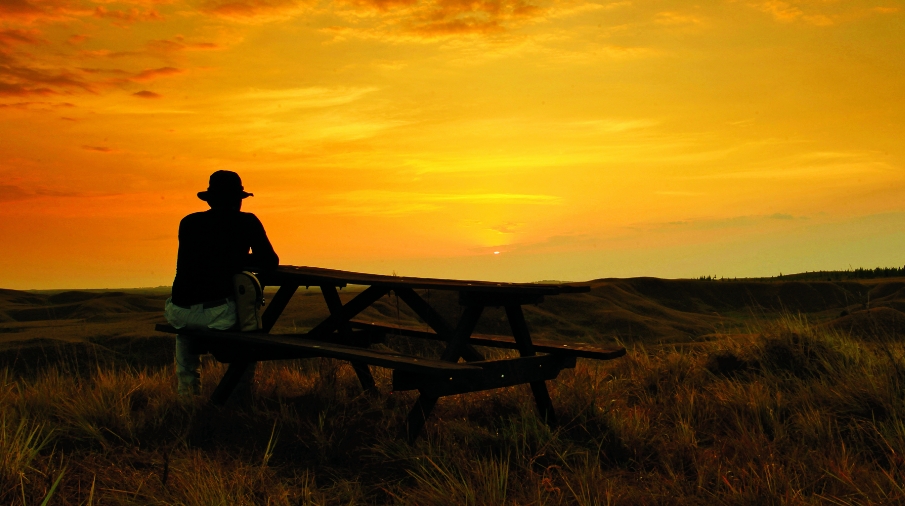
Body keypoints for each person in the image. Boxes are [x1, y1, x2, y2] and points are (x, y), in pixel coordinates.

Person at [164, 170, 279, 396]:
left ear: (211, 199)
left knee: (186, 329)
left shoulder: (188, 223)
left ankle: (187, 394)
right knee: (251, 327)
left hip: (178, 311)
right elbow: (270, 261)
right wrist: (240, 260)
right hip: (218, 313)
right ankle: (239, 394)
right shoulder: (247, 222)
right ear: (238, 200)